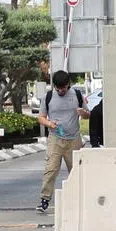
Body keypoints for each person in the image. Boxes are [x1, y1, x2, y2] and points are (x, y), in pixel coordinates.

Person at [35, 70, 90, 214]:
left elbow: (87, 114)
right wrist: (48, 123)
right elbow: (41, 117)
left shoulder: (77, 95)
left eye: (63, 88)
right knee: (51, 169)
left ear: (68, 85)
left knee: (76, 171)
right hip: (55, 138)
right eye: (57, 88)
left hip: (73, 139)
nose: (60, 91)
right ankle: (44, 199)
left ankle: (81, 199)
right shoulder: (48, 97)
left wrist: (83, 114)